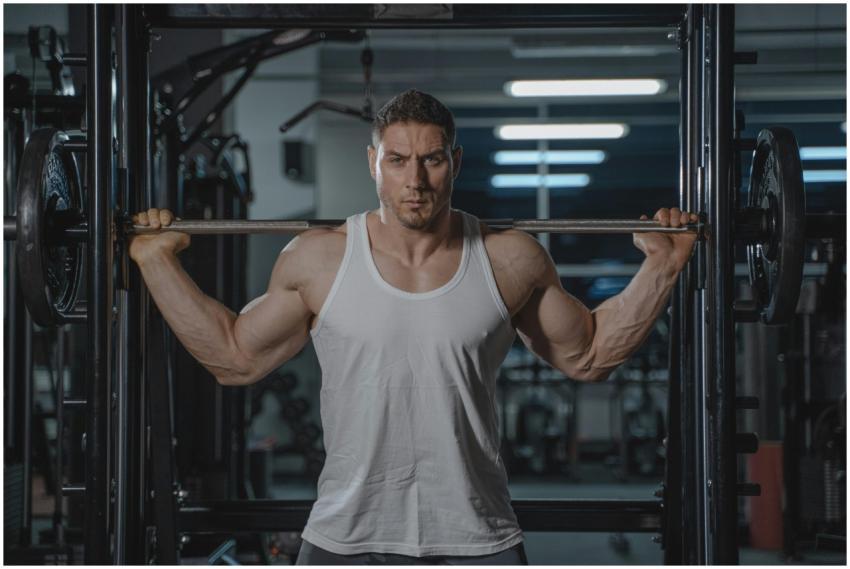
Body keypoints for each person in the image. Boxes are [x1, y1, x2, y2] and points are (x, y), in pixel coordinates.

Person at [129, 89, 698, 565]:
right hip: (345, 540)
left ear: (456, 160)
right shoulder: (317, 260)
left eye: (432, 159)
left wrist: (664, 266)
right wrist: (156, 261)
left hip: (478, 539)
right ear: (373, 162)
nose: (415, 180)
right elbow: (234, 359)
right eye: (397, 160)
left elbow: (589, 355)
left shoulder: (510, 259)